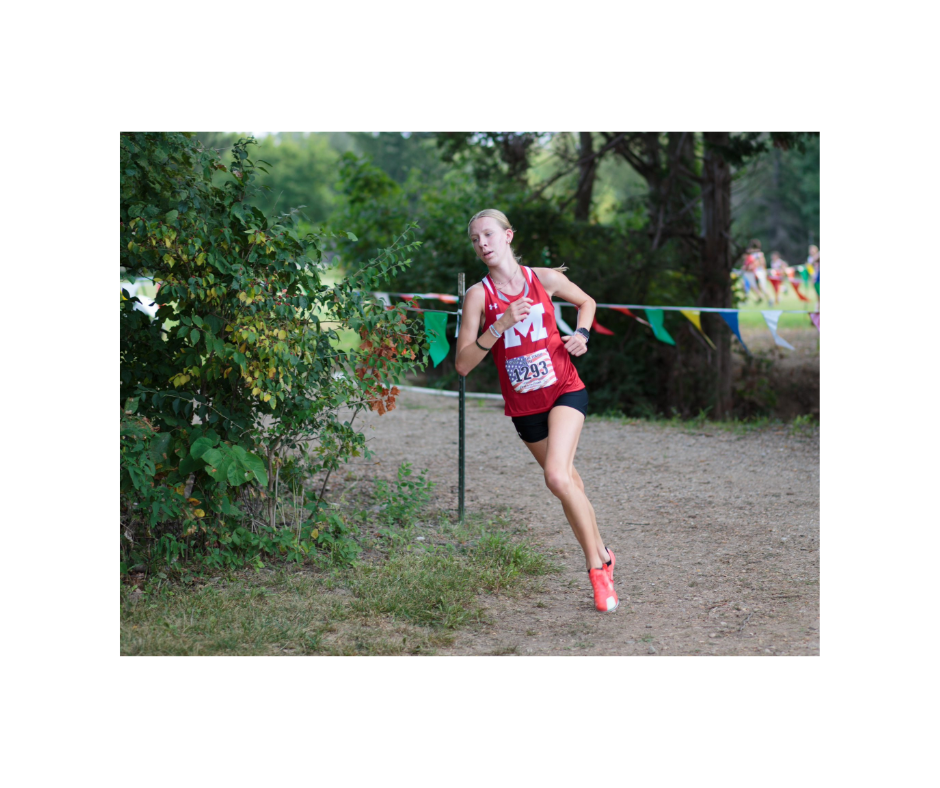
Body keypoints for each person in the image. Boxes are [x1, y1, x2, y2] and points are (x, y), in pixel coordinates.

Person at [455, 209, 619, 613]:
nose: (482, 244)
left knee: (556, 477)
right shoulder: (478, 296)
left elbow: (586, 302)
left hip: (564, 389)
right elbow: (462, 364)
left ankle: (597, 571)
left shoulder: (542, 279)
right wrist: (499, 325)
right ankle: (605, 553)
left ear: (508, 235)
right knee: (570, 483)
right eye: (475, 239)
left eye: (489, 234)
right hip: (524, 409)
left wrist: (582, 334)